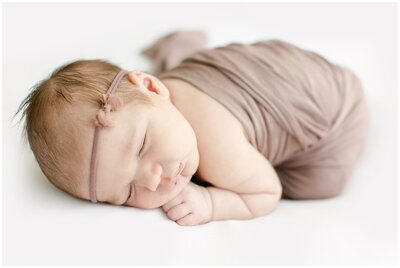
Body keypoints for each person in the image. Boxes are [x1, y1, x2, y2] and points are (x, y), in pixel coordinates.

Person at [16, 31, 369, 226]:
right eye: (126, 193)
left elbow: (268, 194)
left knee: (320, 185)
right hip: (243, 68)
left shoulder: (220, 152)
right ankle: (182, 50)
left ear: (150, 86)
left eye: (141, 147)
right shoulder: (155, 100)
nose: (153, 181)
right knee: (181, 82)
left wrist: (212, 202)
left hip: (339, 110)